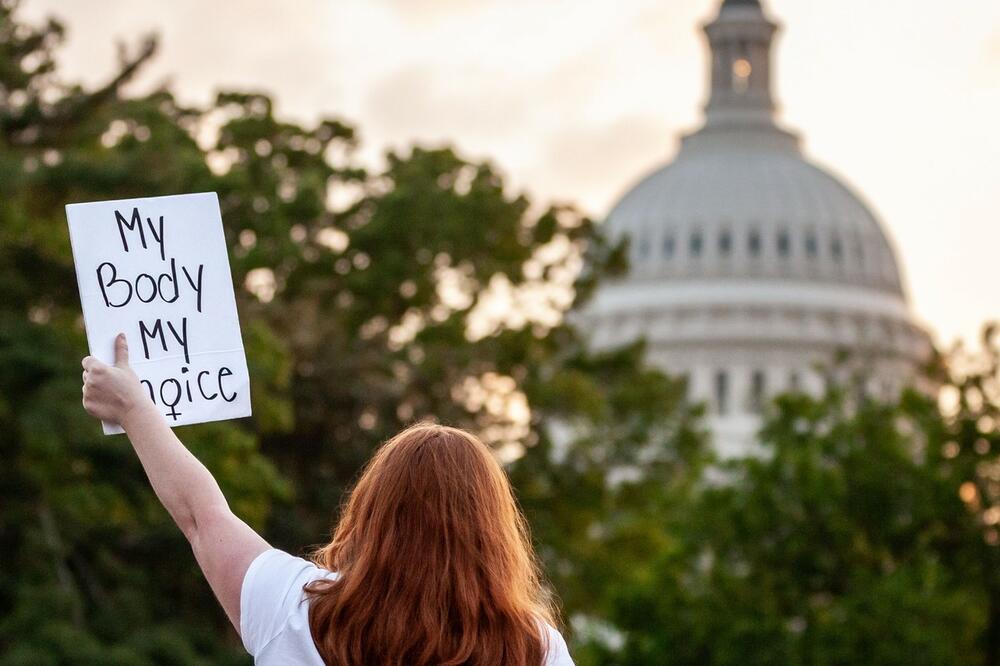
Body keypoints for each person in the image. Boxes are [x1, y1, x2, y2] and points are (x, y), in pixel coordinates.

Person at [81, 333, 574, 665]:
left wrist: (132, 407)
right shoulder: (536, 648)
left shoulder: (293, 607)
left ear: (371, 515)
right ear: (495, 533)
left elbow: (201, 515)